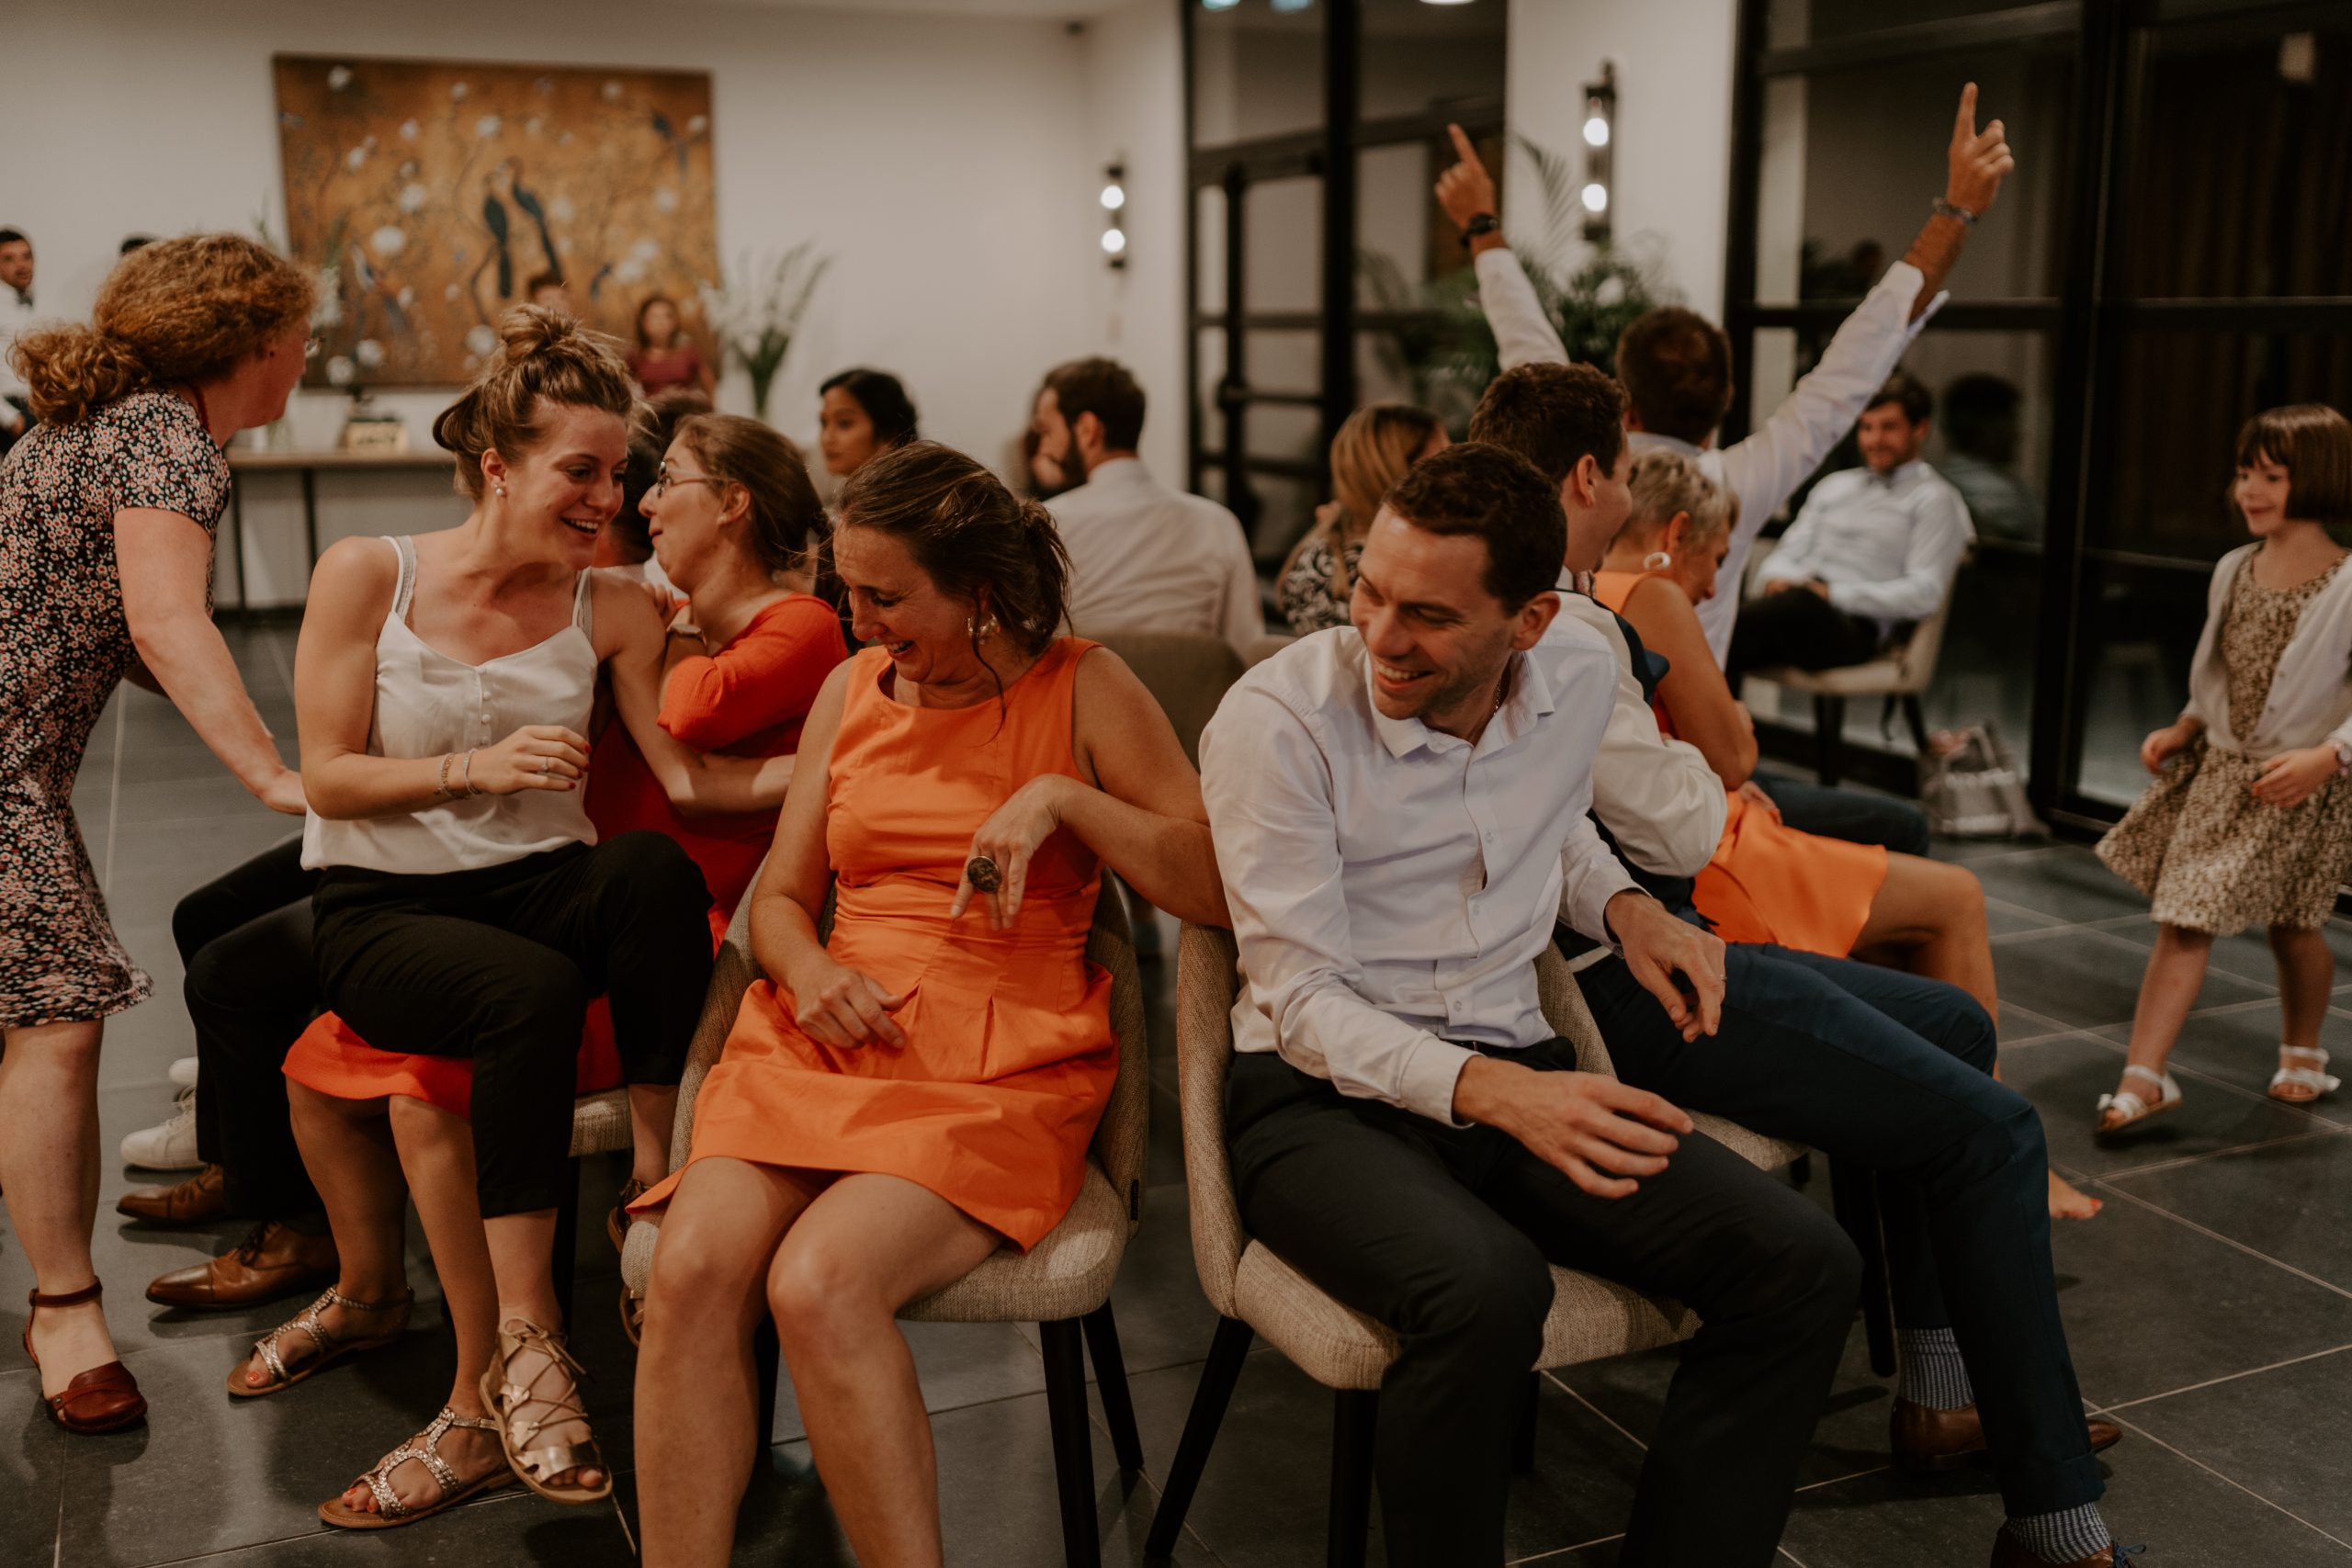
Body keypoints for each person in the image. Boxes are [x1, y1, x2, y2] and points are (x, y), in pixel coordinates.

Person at [1463, 365, 2126, 1566]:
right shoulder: (1573, 628)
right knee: (1998, 1128)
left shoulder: (1536, 607)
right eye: (1623, 471)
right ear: (1589, 478)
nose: (1629, 495)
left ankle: (1939, 1391)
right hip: (1632, 981)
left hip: (1621, 941)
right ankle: (2058, 1526)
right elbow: (1684, 819)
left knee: (1953, 1025)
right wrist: (1686, 753)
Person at [1201, 438, 1863, 1566]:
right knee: (1484, 1288)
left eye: (1428, 615)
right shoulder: (1281, 719)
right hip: (1318, 1103)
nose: (1380, 636)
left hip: (1517, 1068)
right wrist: (1496, 1093)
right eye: (1369, 591)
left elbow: (1556, 826)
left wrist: (1626, 909)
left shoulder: (1579, 674)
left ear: (1530, 621)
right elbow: (1301, 999)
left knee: (1803, 1264)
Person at [629, 440, 1225, 1567]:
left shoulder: (1086, 685)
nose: (854, 622)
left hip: (996, 1063)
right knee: (692, 1268)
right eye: (845, 590)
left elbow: (1213, 886)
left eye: (886, 598)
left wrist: (1066, 801)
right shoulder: (850, 690)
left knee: (820, 1281)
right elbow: (782, 899)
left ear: (979, 592)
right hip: (827, 1034)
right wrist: (808, 973)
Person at [287, 308, 796, 1527]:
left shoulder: (611, 604)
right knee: (528, 990)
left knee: (650, 872)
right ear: (499, 465)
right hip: (384, 906)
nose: (607, 497)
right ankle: (529, 1341)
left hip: (535, 885)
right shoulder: (372, 573)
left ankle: (655, 1187)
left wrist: (847, 757)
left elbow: (686, 782)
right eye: (582, 470)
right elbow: (327, 776)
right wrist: (474, 768)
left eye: (620, 473)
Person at [1597, 449, 2100, 1222]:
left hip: (1702, 832)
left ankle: (1946, 1159)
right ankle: (1993, 1145)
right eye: (1717, 560)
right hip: (1717, 850)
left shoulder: (1587, 593)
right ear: (1675, 533)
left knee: (1909, 921)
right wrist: (1734, 730)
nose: (1713, 586)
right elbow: (1733, 755)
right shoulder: (1650, 593)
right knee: (1957, 898)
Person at [0, 234, 315, 1436]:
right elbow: (166, 622)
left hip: (17, 761)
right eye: (299, 337)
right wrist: (273, 772)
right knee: (57, 1019)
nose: (304, 357)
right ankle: (65, 1309)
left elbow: (105, 621)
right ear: (254, 345)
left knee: (35, 1015)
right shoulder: (169, 441)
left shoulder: (101, 422)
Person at [1435, 84, 2009, 668]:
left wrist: (1482, 224)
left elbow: (1521, 329)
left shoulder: (1578, 462)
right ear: (1723, 404)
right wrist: (1956, 212)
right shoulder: (1734, 484)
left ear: (1627, 405)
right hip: (1683, 709)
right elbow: (1857, 360)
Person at [2095, 404, 2352, 1134]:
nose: (2249, 490)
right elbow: (2222, 672)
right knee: (2185, 914)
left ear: (2320, 477)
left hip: (2300, 787)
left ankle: (2302, 1052)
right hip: (2222, 776)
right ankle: (2144, 1078)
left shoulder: (2348, 583)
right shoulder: (2234, 568)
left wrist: (2329, 755)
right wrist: (2185, 726)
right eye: (2244, 473)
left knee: (2294, 926)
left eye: (2271, 476)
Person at [1728, 372, 1975, 685]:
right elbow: (1787, 553)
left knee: (1732, 630)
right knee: (1725, 627)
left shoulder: (1934, 498)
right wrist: (1776, 579)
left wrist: (1832, 594)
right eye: (1866, 427)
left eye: (1888, 427)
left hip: (1855, 628)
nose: (1874, 440)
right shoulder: (1835, 486)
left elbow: (1924, 593)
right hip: (1792, 612)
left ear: (1920, 428)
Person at [1037, 355, 1263, 653]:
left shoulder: (1048, 526)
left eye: (1047, 432)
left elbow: (1026, 648)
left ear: (1087, 429)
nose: (1044, 449)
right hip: (1192, 684)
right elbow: (1246, 647)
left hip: (1081, 682)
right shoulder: (1218, 523)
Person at [1276, 400, 1448, 635]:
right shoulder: (1368, 568)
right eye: (1442, 459)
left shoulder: (1325, 546)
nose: (1455, 472)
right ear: (1399, 470)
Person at [1940, 373, 2042, 543]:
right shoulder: (2005, 497)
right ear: (1988, 426)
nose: (2017, 434)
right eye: (2011, 421)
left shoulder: (1935, 480)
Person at [817, 367, 919, 481]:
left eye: (844, 424)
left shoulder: (913, 490)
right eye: (824, 423)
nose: (827, 438)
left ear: (888, 435)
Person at [627, 294, 717, 400]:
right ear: (643, 322)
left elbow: (709, 385)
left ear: (674, 322)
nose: (661, 322)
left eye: (667, 316)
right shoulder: (636, 356)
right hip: (653, 409)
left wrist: (709, 406)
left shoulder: (688, 352)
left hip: (685, 409)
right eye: (654, 317)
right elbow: (623, 387)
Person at [0, 226, 35, 450]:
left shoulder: (36, 303)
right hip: (11, 413)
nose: (21, 265)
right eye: (9, 258)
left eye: (26, 256)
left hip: (37, 407)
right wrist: (11, 420)